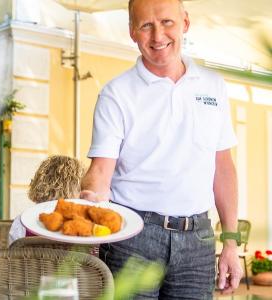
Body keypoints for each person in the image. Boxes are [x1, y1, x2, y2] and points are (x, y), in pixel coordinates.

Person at [80, 0, 243, 298]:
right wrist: (90, 200)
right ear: (132, 32)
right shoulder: (116, 94)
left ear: (185, 23)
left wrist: (231, 242)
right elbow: (101, 170)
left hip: (198, 242)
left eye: (166, 22)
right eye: (146, 26)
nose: (157, 36)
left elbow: (223, 167)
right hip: (132, 238)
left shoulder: (214, 87)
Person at [8, 155, 85, 246]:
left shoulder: (21, 221)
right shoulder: (83, 222)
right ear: (74, 186)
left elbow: (13, 254)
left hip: (31, 260)